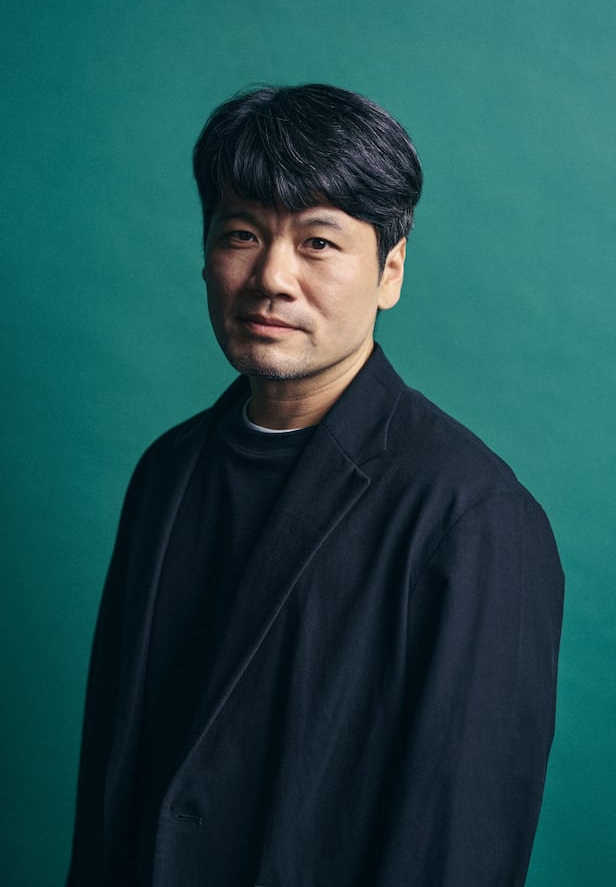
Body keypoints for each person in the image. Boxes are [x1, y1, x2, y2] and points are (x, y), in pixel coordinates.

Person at [67, 84, 564, 886]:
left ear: (390, 271)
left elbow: (455, 848)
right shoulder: (166, 472)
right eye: (242, 234)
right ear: (205, 253)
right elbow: (111, 791)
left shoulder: (471, 518)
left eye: (319, 242)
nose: (272, 276)